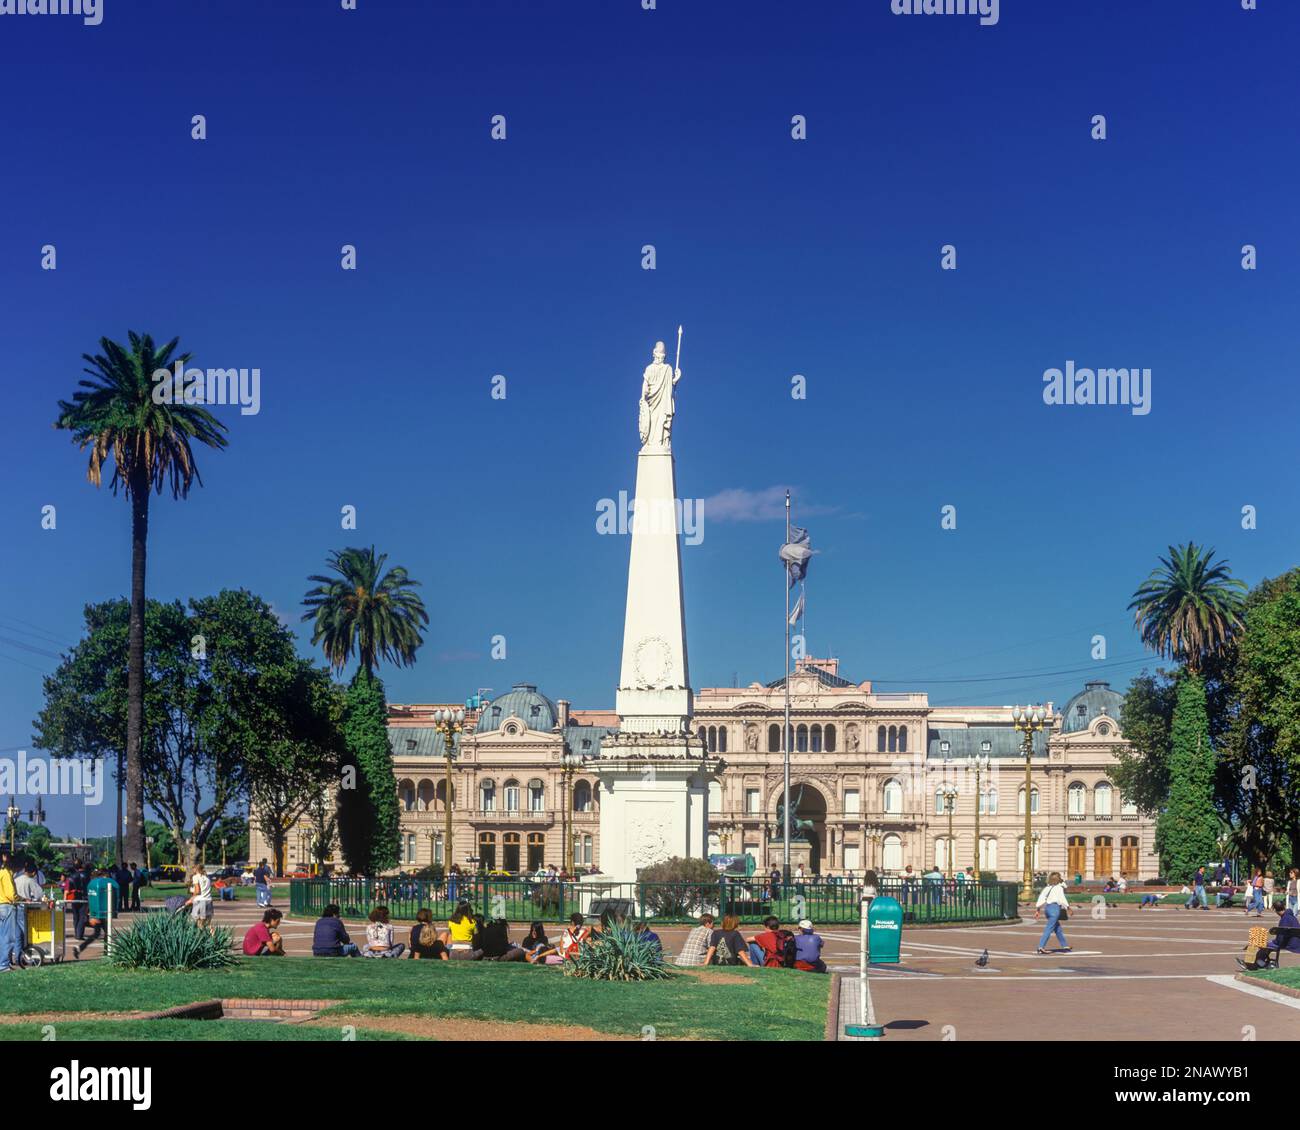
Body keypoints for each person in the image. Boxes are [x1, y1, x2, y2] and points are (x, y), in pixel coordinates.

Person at [1237, 901, 1300, 970]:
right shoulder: (1292, 917)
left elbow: (1280, 938)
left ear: (1275, 910)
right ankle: (1259, 963)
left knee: (1261, 944)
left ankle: (1252, 965)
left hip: (1289, 944)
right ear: (1284, 907)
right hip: (1295, 942)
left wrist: (1273, 942)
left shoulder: (1285, 919)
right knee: (1267, 945)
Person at [74, 869, 118, 958]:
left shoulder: (96, 885)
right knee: (106, 932)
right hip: (98, 915)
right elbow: (93, 902)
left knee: (99, 933)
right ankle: (106, 952)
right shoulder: (96, 886)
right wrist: (92, 916)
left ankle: (80, 948)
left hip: (101, 914)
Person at [1034, 871, 1071, 954]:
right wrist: (1068, 907)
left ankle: (1064, 945)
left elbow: (1041, 898)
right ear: (1059, 879)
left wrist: (1038, 910)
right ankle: (1041, 947)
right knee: (1049, 929)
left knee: (1057, 929)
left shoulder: (1047, 888)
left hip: (1047, 909)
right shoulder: (1059, 888)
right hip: (1055, 909)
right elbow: (1062, 899)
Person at [0, 853, 19, 972]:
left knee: (2, 937)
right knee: (8, 937)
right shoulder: (6, 873)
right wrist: (19, 898)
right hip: (7, 906)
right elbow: (10, 894)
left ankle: (2, 963)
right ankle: (3, 964)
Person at [185, 864, 214, 932]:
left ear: (196, 869)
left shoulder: (195, 877)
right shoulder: (207, 878)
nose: (192, 870)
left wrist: (191, 899)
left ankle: (200, 938)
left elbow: (197, 891)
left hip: (200, 901)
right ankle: (214, 938)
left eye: (193, 869)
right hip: (209, 900)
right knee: (208, 923)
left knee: (198, 922)